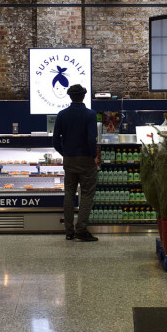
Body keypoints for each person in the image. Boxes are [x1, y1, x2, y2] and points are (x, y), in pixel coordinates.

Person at [53, 84, 99, 242]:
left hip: (69, 160)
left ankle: (69, 231)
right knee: (86, 194)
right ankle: (81, 229)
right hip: (86, 159)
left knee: (69, 194)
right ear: (84, 96)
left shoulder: (62, 115)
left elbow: (55, 140)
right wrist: (94, 156)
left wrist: (64, 152)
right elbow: (91, 138)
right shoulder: (90, 114)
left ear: (70, 96)